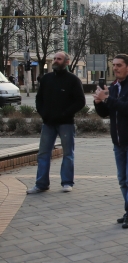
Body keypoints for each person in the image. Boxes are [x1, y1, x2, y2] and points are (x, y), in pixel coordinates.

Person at [93, 54, 128, 228]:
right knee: (122, 180)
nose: (115, 68)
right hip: (118, 140)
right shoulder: (114, 87)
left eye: (119, 65)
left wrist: (107, 99)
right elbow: (106, 113)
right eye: (114, 65)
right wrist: (98, 103)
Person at [27, 52, 85, 194]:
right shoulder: (46, 79)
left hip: (66, 123)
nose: (55, 61)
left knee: (67, 153)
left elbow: (80, 102)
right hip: (48, 123)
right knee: (43, 154)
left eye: (59, 59)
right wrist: (43, 113)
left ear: (66, 62)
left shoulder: (73, 80)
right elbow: (39, 99)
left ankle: (67, 182)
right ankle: (41, 184)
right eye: (54, 59)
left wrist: (65, 113)